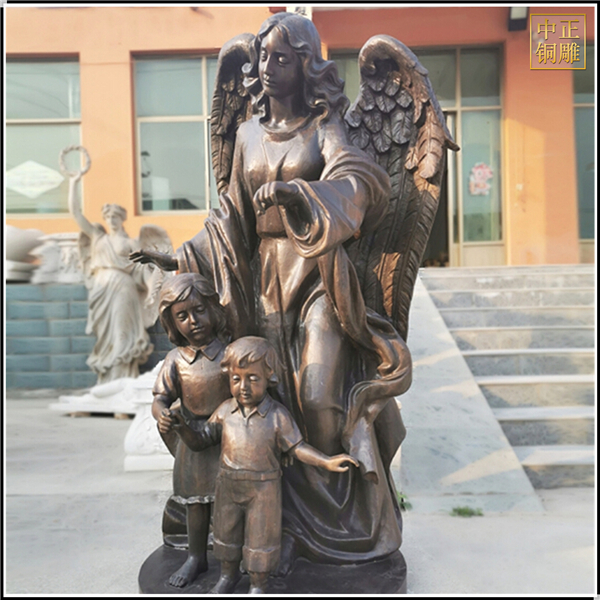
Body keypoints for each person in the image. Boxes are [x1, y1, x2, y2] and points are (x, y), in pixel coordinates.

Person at [131, 12, 412, 569]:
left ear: (305, 65)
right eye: (263, 56)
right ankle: (268, 524)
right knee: (258, 396)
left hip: (318, 277)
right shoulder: (246, 135)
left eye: (281, 57)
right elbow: (229, 216)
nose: (267, 66)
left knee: (317, 397)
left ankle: (334, 527)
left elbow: (360, 183)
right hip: (261, 280)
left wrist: (299, 194)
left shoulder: (325, 126)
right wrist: (180, 257)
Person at [166, 336, 358, 594]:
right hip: (228, 485)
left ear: (269, 378)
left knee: (261, 540)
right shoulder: (224, 411)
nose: (243, 387)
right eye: (236, 379)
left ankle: (258, 584)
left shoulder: (277, 416)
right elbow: (201, 441)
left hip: (263, 490)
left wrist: (326, 461)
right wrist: (182, 429)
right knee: (226, 535)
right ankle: (227, 576)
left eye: (253, 379)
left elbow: (297, 448)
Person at [152, 273, 231, 587]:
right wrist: (162, 415)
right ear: (172, 323)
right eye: (182, 316)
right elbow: (161, 398)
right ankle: (196, 557)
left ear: (213, 308)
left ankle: (232, 558)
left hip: (228, 437)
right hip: (191, 439)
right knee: (195, 503)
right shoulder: (175, 360)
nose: (193, 321)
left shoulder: (230, 354)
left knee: (230, 501)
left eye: (199, 310)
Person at [69, 172, 154, 383]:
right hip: (101, 290)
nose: (110, 220)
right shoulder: (98, 237)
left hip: (123, 287)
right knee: (104, 337)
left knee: (121, 332)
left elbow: (144, 270)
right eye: (107, 217)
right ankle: (107, 380)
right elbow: (76, 213)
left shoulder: (131, 243)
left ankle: (121, 379)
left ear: (122, 218)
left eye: (115, 216)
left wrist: (152, 291)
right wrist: (73, 183)